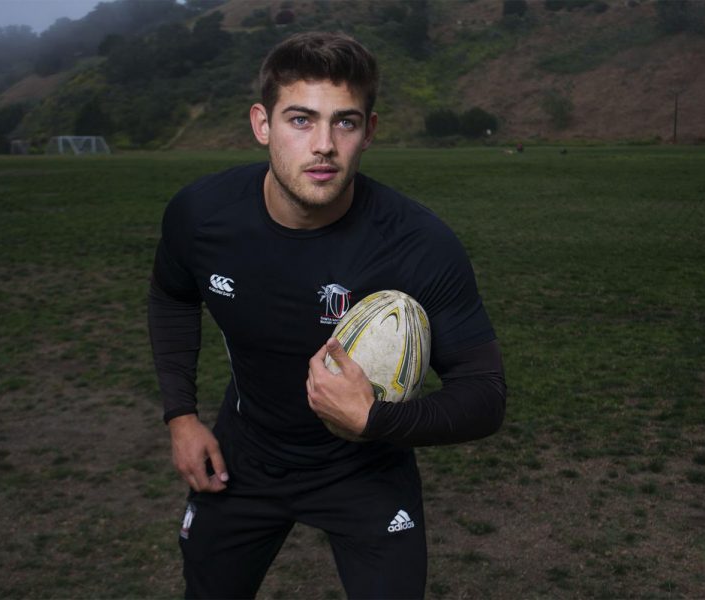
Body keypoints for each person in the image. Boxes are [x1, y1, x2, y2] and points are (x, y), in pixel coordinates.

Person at [148, 32, 506, 600]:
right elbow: (171, 296)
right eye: (300, 120)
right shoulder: (201, 215)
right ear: (261, 124)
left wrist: (374, 422)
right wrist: (181, 417)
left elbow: (485, 395)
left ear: (369, 132)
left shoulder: (418, 245)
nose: (323, 145)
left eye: (345, 122)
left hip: (364, 470)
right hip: (245, 456)